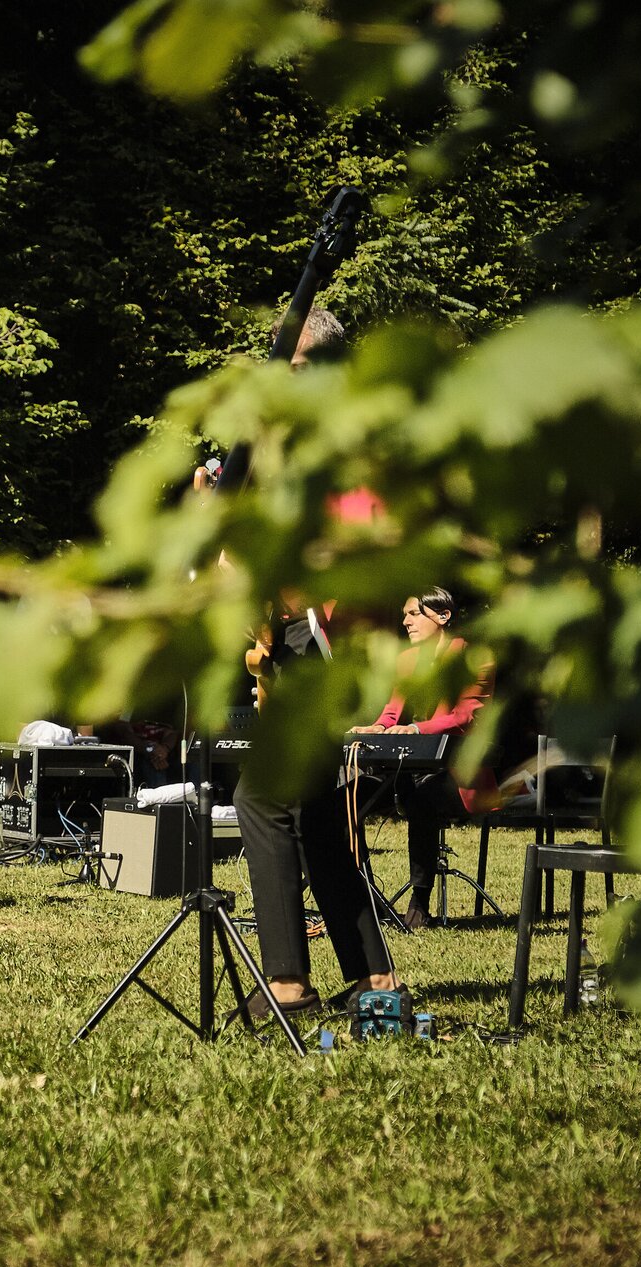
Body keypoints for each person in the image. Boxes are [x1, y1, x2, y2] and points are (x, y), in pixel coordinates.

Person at [232, 303, 400, 1019]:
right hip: (307, 640)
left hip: (329, 643)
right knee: (316, 815)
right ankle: (373, 980)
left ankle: (288, 988)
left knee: (262, 800)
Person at [349, 587, 494, 930]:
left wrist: (416, 729)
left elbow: (465, 716)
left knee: (421, 801)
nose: (405, 622)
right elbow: (391, 713)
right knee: (349, 798)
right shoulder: (407, 660)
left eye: (413, 614)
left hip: (457, 774)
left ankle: (419, 903)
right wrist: (376, 728)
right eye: (405, 615)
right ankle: (363, 897)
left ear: (443, 616)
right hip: (408, 769)